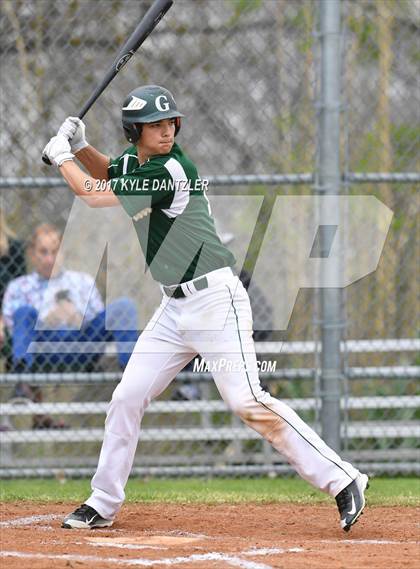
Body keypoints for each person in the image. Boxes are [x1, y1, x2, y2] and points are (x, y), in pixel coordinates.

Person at [42, 84, 368, 532]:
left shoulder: (170, 168)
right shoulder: (138, 163)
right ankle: (103, 501)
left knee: (249, 402)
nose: (166, 131)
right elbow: (111, 171)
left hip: (216, 301)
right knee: (126, 397)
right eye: (155, 125)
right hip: (173, 309)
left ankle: (345, 479)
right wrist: (80, 147)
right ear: (135, 131)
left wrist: (61, 156)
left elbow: (96, 194)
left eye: (170, 122)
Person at [2, 223, 138, 372]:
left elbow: (99, 320)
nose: (49, 259)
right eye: (43, 252)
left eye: (55, 252)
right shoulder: (18, 287)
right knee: (23, 312)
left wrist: (79, 318)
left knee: (124, 306)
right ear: (31, 253)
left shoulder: (83, 281)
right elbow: (13, 328)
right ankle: (22, 380)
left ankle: (131, 372)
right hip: (41, 348)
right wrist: (45, 321)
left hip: (82, 344)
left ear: (63, 252)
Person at [0, 207, 27, 366]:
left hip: (8, 317)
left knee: (19, 337)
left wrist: (3, 318)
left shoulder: (13, 247)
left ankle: (23, 382)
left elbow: (21, 290)